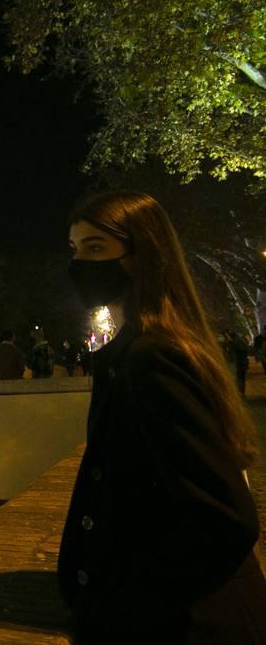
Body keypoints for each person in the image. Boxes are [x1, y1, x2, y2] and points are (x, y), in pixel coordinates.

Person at [58, 190, 266, 640]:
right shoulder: (149, 349)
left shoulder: (153, 360)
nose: (79, 264)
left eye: (96, 248)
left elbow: (225, 518)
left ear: (141, 255)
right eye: (75, 249)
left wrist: (132, 600)